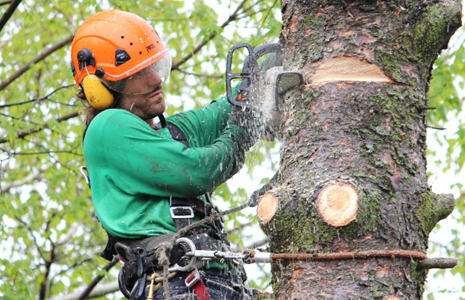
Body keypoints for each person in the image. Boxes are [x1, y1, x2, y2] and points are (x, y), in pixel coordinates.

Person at [71, 9, 257, 300]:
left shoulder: (167, 133)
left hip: (213, 279)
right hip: (177, 283)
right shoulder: (108, 127)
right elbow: (197, 173)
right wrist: (242, 129)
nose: (156, 79)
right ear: (103, 87)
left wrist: (256, 83)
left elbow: (222, 111)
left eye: (156, 65)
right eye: (140, 73)